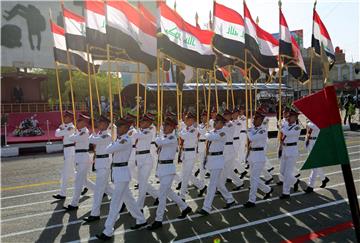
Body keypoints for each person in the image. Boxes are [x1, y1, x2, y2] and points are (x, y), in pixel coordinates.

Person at [96, 117, 147, 241]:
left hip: (122, 174)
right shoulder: (120, 139)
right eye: (118, 127)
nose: (118, 129)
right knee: (129, 201)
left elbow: (108, 149)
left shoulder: (125, 140)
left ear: (126, 128)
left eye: (121, 127)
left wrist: (113, 141)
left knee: (115, 203)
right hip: (119, 173)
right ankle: (141, 219)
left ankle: (108, 230)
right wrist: (114, 140)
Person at [147, 116, 192, 230]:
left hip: (168, 169)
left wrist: (158, 134)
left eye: (166, 125)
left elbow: (157, 141)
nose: (164, 127)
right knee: (169, 192)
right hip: (162, 168)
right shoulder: (166, 137)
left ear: (172, 127)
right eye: (164, 125)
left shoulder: (172, 138)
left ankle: (158, 220)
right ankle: (185, 207)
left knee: (162, 195)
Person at [196, 114, 236, 216]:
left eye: (217, 122)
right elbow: (208, 138)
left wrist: (208, 133)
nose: (214, 123)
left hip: (217, 161)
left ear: (222, 124)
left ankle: (206, 207)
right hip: (211, 160)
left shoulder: (223, 132)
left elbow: (211, 137)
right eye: (214, 122)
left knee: (211, 185)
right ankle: (230, 199)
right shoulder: (213, 131)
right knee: (218, 183)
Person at [83, 115, 113, 222]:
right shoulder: (100, 134)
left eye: (100, 123)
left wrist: (93, 135)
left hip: (104, 164)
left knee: (98, 190)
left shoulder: (107, 135)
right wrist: (94, 135)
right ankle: (122, 201)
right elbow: (93, 140)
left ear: (105, 124)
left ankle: (95, 214)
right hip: (100, 163)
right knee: (107, 188)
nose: (98, 124)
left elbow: (93, 141)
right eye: (98, 122)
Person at [243, 110, 273, 208]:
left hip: (259, 156)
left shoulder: (262, 130)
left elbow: (252, 138)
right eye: (254, 119)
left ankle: (251, 200)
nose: (254, 120)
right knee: (253, 178)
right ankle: (267, 189)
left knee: (254, 179)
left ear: (261, 120)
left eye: (257, 119)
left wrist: (248, 131)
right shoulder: (252, 129)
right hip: (252, 155)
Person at [63, 114, 92, 210]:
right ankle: (102, 191)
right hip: (80, 157)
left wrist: (73, 133)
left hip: (83, 158)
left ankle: (74, 204)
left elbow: (71, 138)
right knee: (84, 181)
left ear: (84, 123)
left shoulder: (84, 132)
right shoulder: (80, 132)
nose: (77, 123)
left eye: (79, 121)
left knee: (78, 182)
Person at [177, 112, 207, 199]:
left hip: (191, 154)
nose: (185, 120)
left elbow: (185, 136)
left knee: (186, 175)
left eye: (187, 119)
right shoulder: (185, 128)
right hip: (185, 153)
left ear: (191, 120)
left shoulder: (194, 129)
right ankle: (201, 186)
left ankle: (182, 195)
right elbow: (182, 135)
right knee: (187, 174)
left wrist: (179, 132)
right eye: (185, 119)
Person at [133, 114, 159, 209]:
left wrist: (132, 131)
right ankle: (158, 196)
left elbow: (135, 135)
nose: (141, 123)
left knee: (142, 184)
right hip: (140, 158)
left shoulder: (148, 132)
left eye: (143, 122)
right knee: (142, 182)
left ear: (148, 123)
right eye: (141, 121)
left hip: (146, 160)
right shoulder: (142, 131)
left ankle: (139, 206)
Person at [278, 109, 301, 199]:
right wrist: (282, 125)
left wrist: (281, 127)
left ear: (295, 118)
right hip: (285, 149)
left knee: (287, 173)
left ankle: (286, 193)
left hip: (292, 151)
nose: (288, 118)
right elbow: (283, 131)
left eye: (290, 116)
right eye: (288, 116)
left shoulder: (297, 127)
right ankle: (295, 181)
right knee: (282, 172)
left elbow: (287, 133)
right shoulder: (286, 125)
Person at [53, 111, 75, 200]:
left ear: (70, 118)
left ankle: (62, 194)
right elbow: (56, 133)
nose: (64, 118)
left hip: (70, 150)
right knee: (73, 173)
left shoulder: (71, 127)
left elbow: (58, 133)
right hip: (66, 150)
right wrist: (61, 128)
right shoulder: (65, 126)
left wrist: (61, 129)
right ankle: (85, 186)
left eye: (66, 117)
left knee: (65, 173)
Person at [303, 121, 330, 193]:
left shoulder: (318, 121)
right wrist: (306, 143)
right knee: (316, 165)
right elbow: (307, 131)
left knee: (314, 165)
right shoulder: (309, 122)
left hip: (316, 142)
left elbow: (313, 126)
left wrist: (307, 123)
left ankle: (310, 186)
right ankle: (324, 179)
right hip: (309, 142)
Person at [222, 109, 244, 191]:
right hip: (225, 148)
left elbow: (225, 132)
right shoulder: (225, 124)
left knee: (225, 168)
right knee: (228, 168)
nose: (225, 117)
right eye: (224, 115)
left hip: (231, 146)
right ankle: (239, 182)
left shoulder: (231, 124)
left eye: (226, 115)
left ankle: (221, 186)